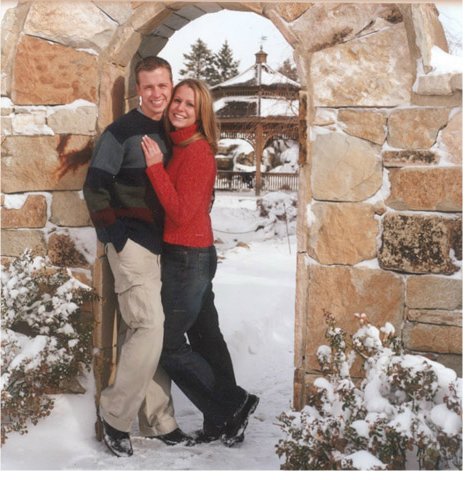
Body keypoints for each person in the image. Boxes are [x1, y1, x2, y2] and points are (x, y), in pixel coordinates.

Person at [83, 57, 193, 457]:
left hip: (165, 246)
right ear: (137, 90)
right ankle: (115, 416)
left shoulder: (171, 129)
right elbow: (95, 186)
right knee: (149, 326)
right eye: (149, 87)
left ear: (171, 85)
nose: (157, 94)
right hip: (133, 244)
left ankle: (159, 420)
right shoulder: (121, 132)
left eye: (163, 85)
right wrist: (116, 237)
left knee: (149, 331)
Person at [141, 79, 259, 447]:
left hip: (187, 258)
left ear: (201, 113)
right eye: (177, 100)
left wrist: (155, 169)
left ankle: (232, 404)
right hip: (195, 253)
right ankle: (223, 421)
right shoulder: (180, 146)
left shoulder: (196, 153)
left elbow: (180, 213)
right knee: (207, 339)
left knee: (167, 343)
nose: (179, 108)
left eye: (189, 105)